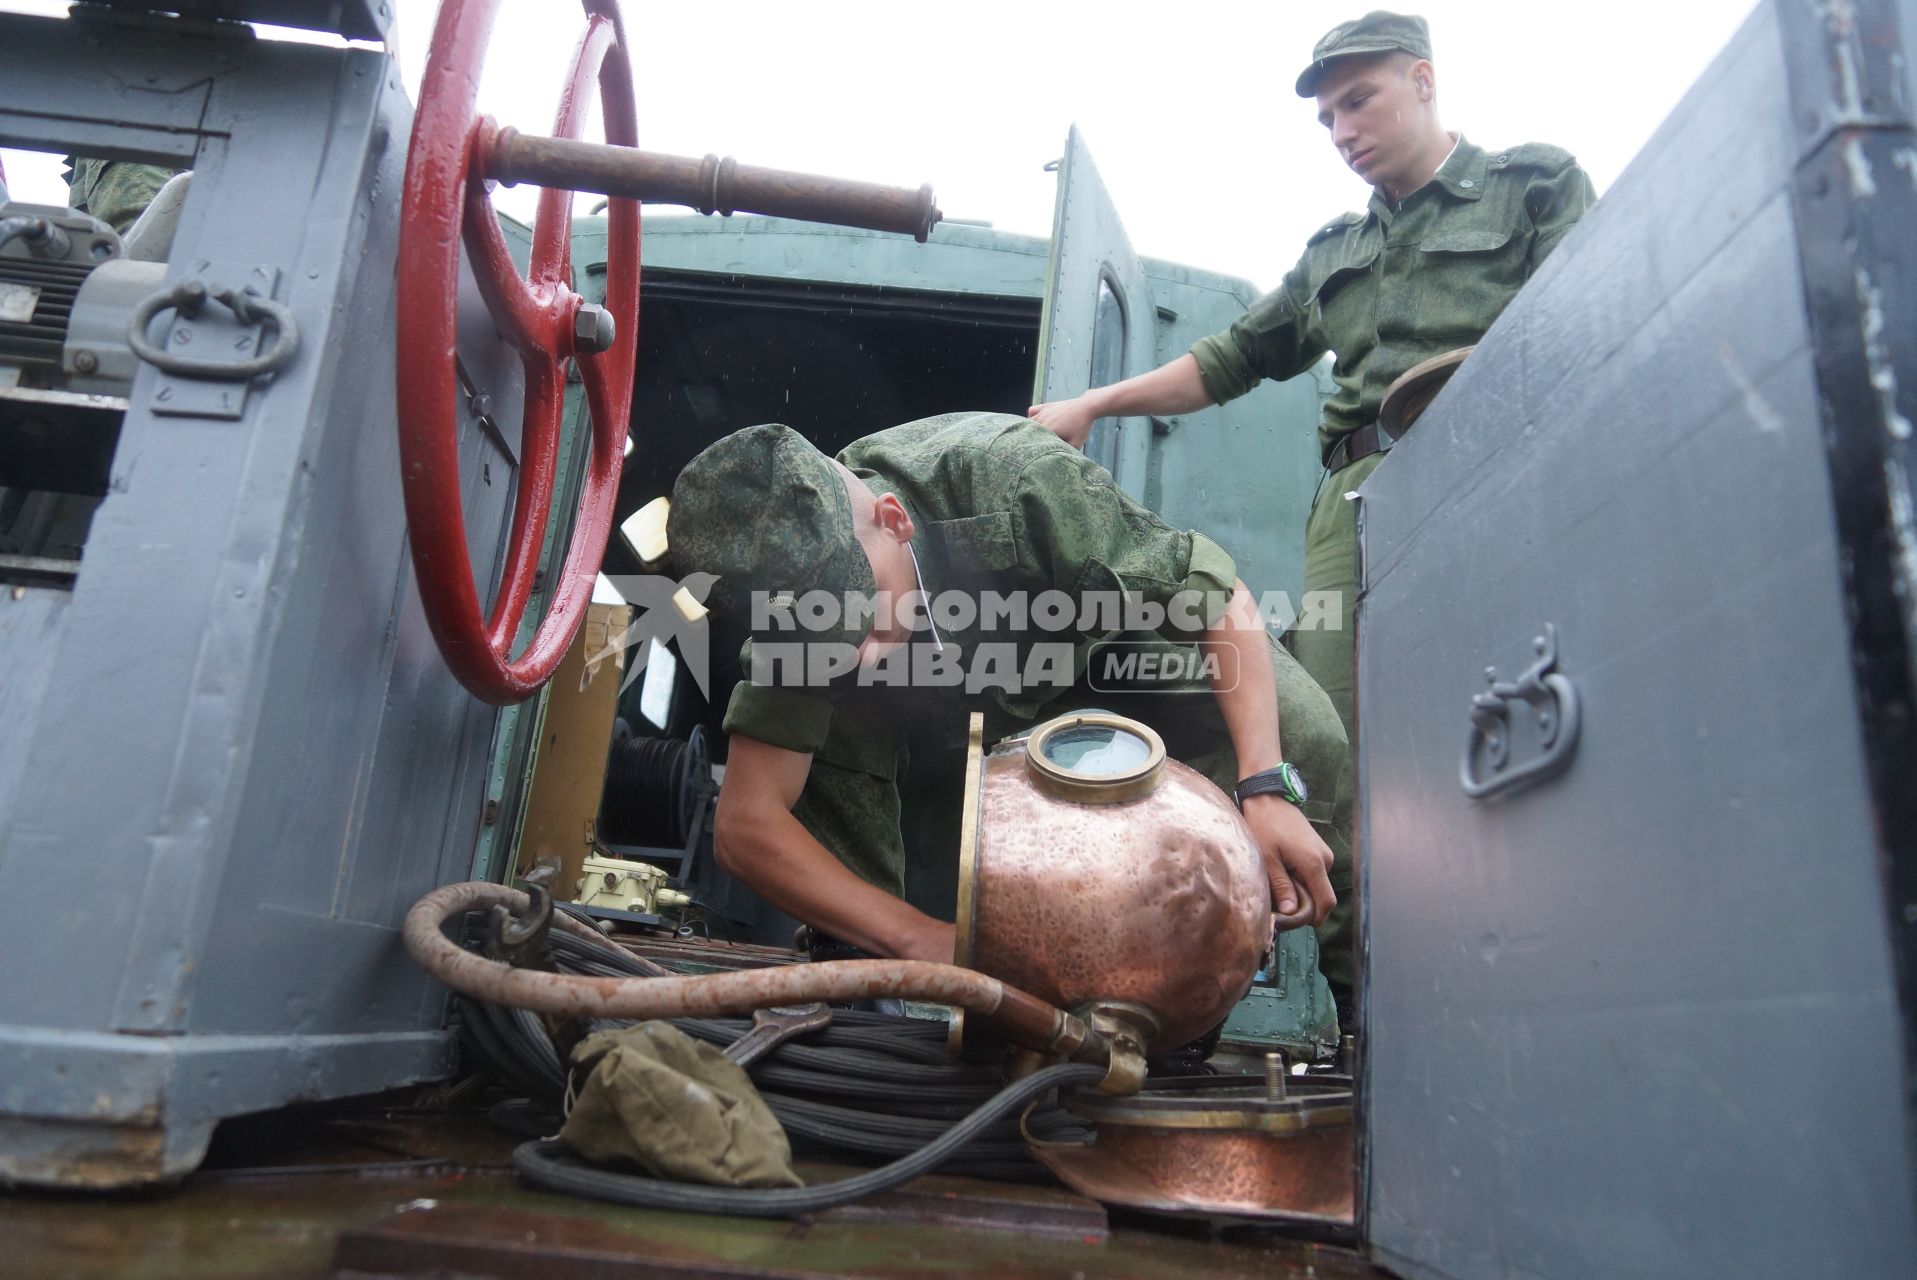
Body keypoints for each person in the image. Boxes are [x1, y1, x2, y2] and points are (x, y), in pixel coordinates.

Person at [1027, 10, 1597, 1016]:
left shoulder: (1533, 184)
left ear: (1423, 82)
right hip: (1356, 506)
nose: (1343, 130)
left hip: (1498, 464)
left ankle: (1538, 988)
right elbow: (1227, 361)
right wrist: (1094, 402)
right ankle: (1365, 1024)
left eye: (1360, 100)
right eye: (1328, 117)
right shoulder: (1334, 249)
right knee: (1339, 756)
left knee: (1524, 716)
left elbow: (1587, 315)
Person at [666, 411, 1349, 1051]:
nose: (862, 655)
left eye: (861, 612)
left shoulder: (1019, 484)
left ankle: (1231, 994)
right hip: (929, 723)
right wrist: (916, 939)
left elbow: (1220, 601)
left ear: (893, 520)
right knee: (830, 743)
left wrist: (1265, 787)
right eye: (826, 633)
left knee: (1305, 736)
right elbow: (748, 826)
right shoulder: (796, 605)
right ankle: (872, 1021)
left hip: (1091, 653)